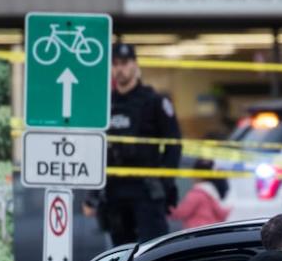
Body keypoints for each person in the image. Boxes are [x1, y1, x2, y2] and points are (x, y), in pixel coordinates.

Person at [83, 42, 182, 246]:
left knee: (153, 254)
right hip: (114, 191)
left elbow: (174, 145)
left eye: (125, 63)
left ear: (135, 65)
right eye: (115, 64)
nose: (120, 69)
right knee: (120, 257)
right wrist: (92, 194)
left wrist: (165, 183)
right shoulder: (104, 105)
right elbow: (95, 150)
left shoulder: (154, 101)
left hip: (146, 190)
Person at [168, 159, 229, 230]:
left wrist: (167, 208)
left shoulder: (197, 193)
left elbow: (181, 213)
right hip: (209, 232)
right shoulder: (212, 191)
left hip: (197, 233)